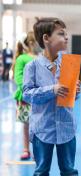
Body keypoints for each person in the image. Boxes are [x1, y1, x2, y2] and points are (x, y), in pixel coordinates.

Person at [23, 17, 80, 176]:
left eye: (66, 33)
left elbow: (70, 98)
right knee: (41, 171)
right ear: (46, 38)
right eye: (61, 34)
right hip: (42, 129)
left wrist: (75, 92)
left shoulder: (70, 64)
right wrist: (52, 90)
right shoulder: (32, 66)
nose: (66, 37)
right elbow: (27, 94)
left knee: (69, 170)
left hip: (66, 126)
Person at [12, 31, 37, 160]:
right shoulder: (22, 58)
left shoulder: (40, 58)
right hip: (25, 97)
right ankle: (26, 149)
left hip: (39, 97)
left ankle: (38, 149)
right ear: (31, 43)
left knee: (38, 124)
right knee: (26, 124)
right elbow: (18, 76)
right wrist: (27, 90)